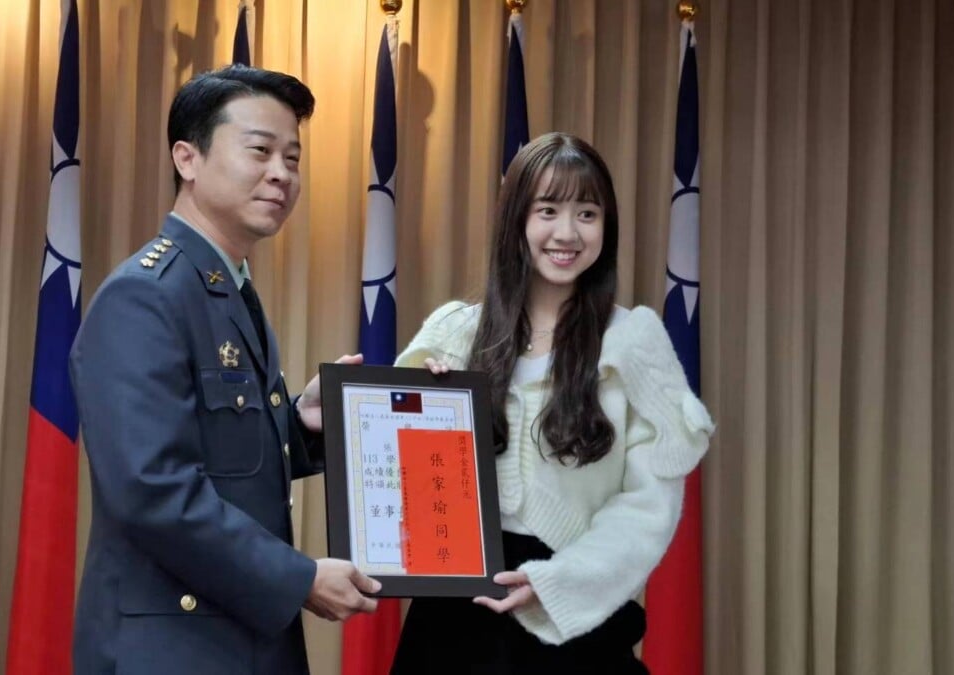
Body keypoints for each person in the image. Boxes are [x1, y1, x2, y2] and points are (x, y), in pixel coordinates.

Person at [68, 65, 380, 675]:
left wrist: (301, 426)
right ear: (187, 158)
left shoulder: (225, 288)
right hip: (171, 649)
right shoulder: (146, 296)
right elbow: (153, 491)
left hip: (240, 641)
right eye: (260, 151)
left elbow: (225, 455)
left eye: (292, 158)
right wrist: (298, 578)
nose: (281, 174)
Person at [388, 132, 715, 674]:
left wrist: (560, 582)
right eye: (548, 210)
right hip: (453, 622)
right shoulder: (453, 331)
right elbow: (396, 477)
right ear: (516, 219)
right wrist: (421, 408)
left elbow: (649, 505)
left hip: (573, 616)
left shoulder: (634, 341)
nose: (567, 232)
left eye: (587, 213)